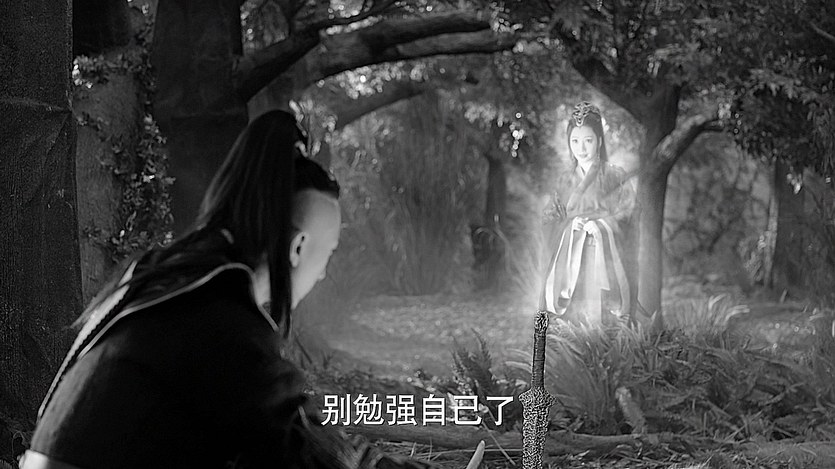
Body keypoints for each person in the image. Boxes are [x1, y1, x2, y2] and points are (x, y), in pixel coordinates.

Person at [21, 110, 433, 469]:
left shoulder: (167, 281)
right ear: (298, 248)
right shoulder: (221, 320)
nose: (324, 273)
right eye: (329, 254)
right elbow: (304, 453)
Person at [539, 102, 637, 326]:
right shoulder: (564, 180)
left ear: (599, 141)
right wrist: (568, 227)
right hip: (570, 258)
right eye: (575, 141)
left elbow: (629, 214)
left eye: (588, 140)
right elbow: (549, 219)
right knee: (574, 325)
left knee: (602, 323)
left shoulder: (614, 176)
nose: (581, 148)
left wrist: (603, 225)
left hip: (604, 259)